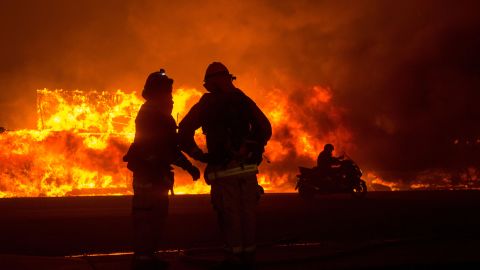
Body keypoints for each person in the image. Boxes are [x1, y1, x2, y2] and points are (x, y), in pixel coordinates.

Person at [178, 62, 272, 268]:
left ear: (212, 82)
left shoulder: (208, 103)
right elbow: (265, 128)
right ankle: (248, 258)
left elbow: (183, 132)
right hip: (247, 172)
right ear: (229, 78)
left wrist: (200, 156)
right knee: (247, 214)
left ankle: (233, 259)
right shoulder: (243, 101)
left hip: (223, 172)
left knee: (230, 216)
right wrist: (251, 147)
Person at [123, 69, 200, 270]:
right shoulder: (155, 116)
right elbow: (170, 147)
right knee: (147, 217)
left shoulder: (155, 113)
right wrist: (190, 165)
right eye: (168, 92)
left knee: (153, 217)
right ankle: (143, 260)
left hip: (153, 174)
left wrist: (191, 163)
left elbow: (171, 146)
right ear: (158, 92)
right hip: (150, 175)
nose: (171, 96)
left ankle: (147, 257)